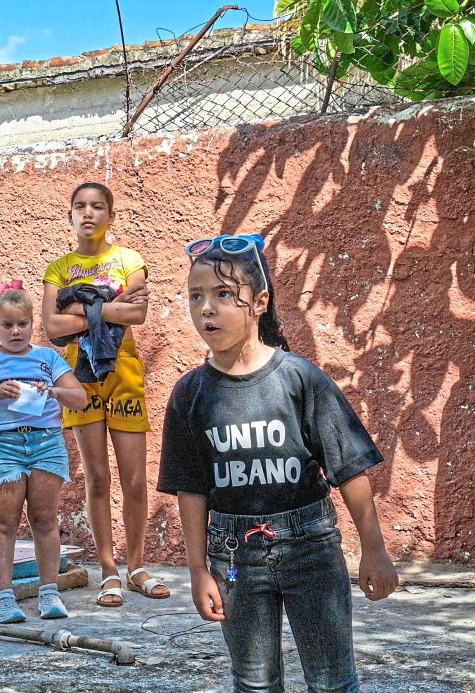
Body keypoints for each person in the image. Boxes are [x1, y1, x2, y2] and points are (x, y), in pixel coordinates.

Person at [157, 234, 398, 692]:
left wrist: (375, 548)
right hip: (232, 558)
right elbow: (191, 488)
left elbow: (348, 468)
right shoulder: (189, 394)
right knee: (253, 683)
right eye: (196, 296)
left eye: (224, 294)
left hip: (312, 550)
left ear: (260, 301)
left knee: (332, 682)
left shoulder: (300, 379)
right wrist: (197, 571)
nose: (207, 308)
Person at [41, 182, 163, 608]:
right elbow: (51, 329)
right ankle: (109, 570)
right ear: (70, 214)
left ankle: (137, 567)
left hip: (124, 375)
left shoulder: (129, 259)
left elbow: (139, 313)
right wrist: (109, 308)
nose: (88, 213)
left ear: (111, 213)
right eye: (80, 207)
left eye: (97, 207)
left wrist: (80, 310)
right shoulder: (58, 269)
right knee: (97, 479)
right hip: (79, 379)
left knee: (133, 479)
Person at [0, 282, 88, 624]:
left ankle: (49, 593)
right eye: (7, 325)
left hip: (46, 443)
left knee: (45, 520)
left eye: (22, 324)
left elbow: (80, 399)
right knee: (5, 522)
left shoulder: (48, 357)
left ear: (32, 324)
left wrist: (53, 390)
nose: (15, 331)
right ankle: (3, 597)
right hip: (4, 446)